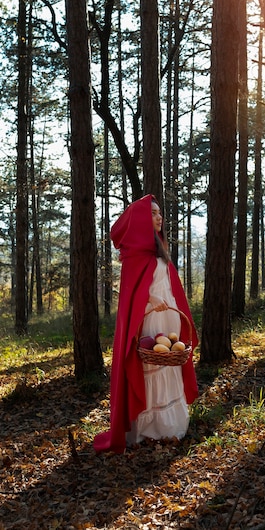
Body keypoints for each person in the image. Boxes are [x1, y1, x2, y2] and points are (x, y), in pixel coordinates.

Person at [93, 194, 199, 454]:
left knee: (168, 364)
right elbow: (133, 292)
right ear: (142, 219)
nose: (159, 217)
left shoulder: (158, 248)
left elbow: (170, 285)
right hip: (149, 317)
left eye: (159, 213)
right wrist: (151, 299)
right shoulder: (134, 255)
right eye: (153, 213)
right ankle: (149, 428)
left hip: (169, 315)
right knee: (150, 363)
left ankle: (169, 426)